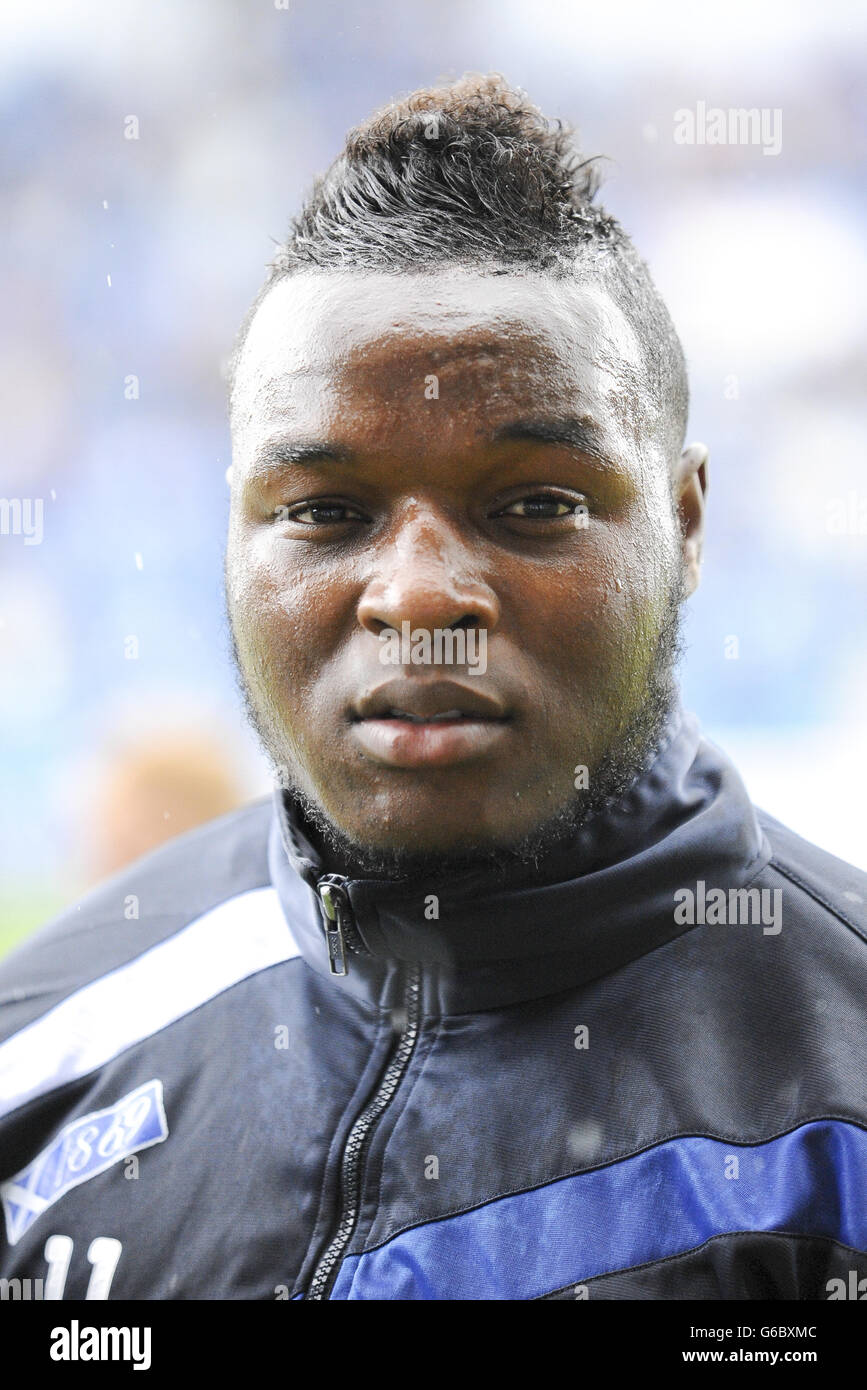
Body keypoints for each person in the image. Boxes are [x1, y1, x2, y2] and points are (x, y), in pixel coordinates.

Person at [1, 74, 865, 1302]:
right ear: (232, 533)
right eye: (327, 513)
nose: (417, 598)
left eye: (533, 504)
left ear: (683, 524)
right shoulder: (36, 1054)